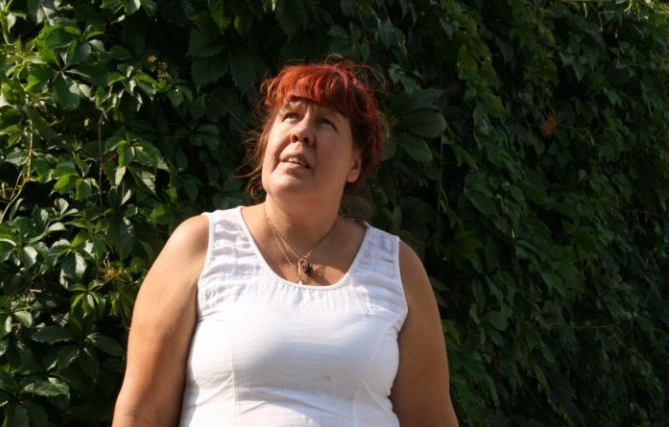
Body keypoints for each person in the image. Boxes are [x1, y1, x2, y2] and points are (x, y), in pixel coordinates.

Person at [112, 60, 458, 426]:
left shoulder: (396, 267)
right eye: (290, 116)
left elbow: (431, 419)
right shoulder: (200, 244)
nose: (302, 132)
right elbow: (141, 413)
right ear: (266, 144)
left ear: (354, 165)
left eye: (325, 123)